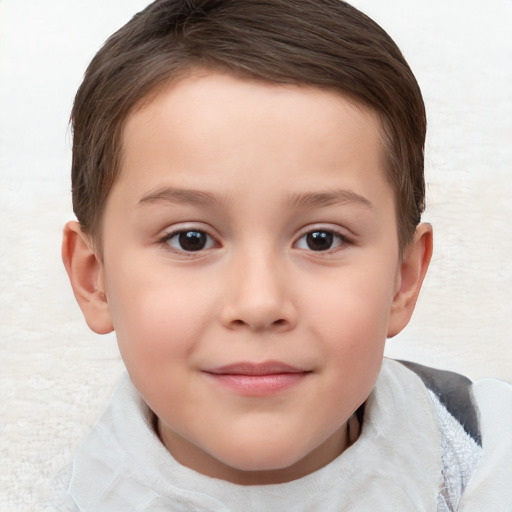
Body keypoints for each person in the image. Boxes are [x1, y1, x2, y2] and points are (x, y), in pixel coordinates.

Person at [58, 0, 512, 510]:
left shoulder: (492, 453)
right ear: (94, 279)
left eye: (321, 239)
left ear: (403, 280)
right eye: (191, 239)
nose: (259, 303)